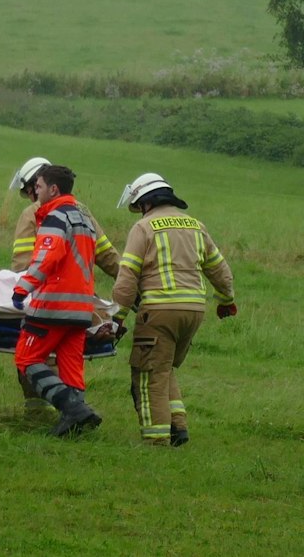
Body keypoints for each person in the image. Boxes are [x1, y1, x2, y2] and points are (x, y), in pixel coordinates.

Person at [112, 172, 238, 447]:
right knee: (165, 367)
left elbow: (127, 277)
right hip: (194, 311)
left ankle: (156, 440)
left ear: (145, 202)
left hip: (159, 311)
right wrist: (226, 300)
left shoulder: (143, 228)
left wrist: (117, 317)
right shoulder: (195, 225)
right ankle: (178, 428)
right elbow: (220, 269)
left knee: (149, 374)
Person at [8, 155, 120, 414]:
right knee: (71, 363)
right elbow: (107, 255)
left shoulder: (37, 214)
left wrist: (21, 290)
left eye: (34, 189)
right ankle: (76, 414)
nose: (33, 196)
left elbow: (25, 263)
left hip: (48, 301)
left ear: (41, 186)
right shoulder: (83, 212)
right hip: (81, 305)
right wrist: (128, 283)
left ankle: (45, 409)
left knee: (30, 356)